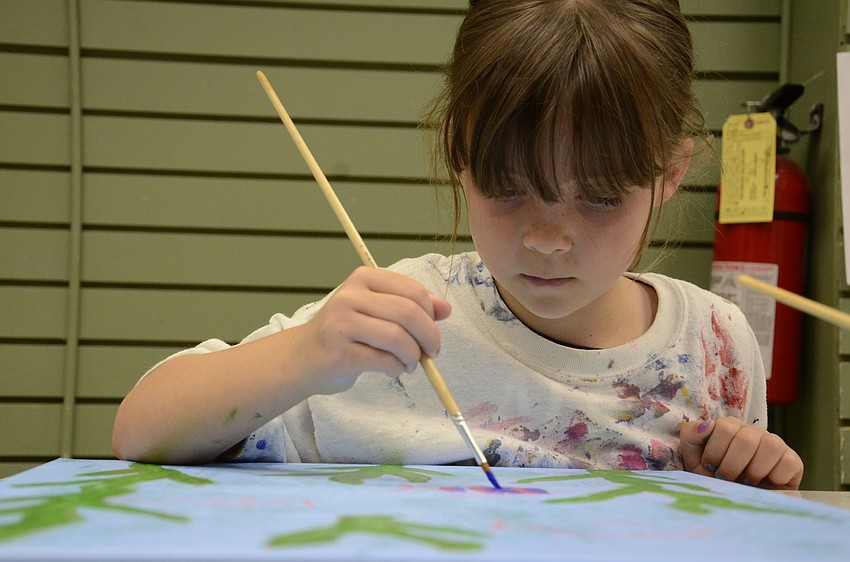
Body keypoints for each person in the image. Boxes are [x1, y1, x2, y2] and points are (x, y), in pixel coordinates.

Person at [112, 0, 803, 490]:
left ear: (670, 175)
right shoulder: (403, 321)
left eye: (597, 196)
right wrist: (303, 354)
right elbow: (139, 432)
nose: (547, 240)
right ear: (459, 158)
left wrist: (757, 490)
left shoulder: (717, 343)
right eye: (508, 187)